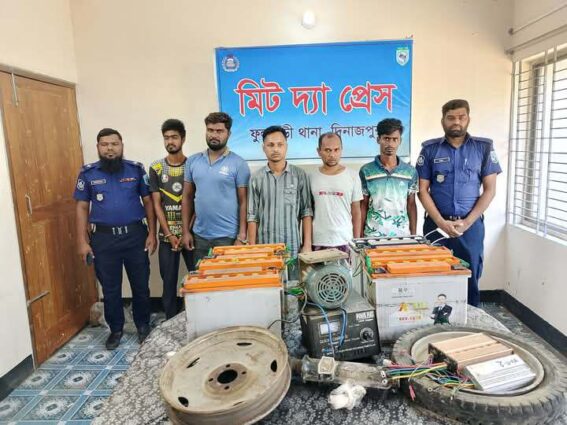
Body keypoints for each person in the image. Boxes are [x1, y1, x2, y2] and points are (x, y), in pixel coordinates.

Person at [74, 128, 156, 350]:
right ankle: (116, 329)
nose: (109, 148)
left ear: (122, 146)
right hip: (103, 240)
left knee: (141, 285)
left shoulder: (136, 170)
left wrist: (152, 233)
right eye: (104, 144)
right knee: (110, 289)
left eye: (114, 144)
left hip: (135, 237)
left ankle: (143, 325)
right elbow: (82, 207)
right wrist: (82, 241)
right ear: (98, 147)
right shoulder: (88, 174)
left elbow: (148, 202)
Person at [416, 99, 502, 307]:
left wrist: (467, 222)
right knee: (434, 275)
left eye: (461, 117)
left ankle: (470, 319)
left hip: (470, 227)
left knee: (470, 275)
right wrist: (440, 222)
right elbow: (422, 190)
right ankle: (436, 321)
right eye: (451, 118)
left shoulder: (483, 148)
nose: (456, 122)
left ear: (468, 119)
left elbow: (489, 190)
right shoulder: (430, 150)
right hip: (436, 225)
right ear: (442, 121)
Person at [181, 112, 250, 265]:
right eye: (210, 130)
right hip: (200, 237)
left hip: (228, 237)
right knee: (201, 278)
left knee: (227, 279)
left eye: (219, 131)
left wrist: (241, 236)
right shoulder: (193, 161)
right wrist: (185, 232)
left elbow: (244, 202)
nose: (214, 135)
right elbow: (186, 197)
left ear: (228, 134)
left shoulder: (238, 163)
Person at [247, 125, 313, 276]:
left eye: (280, 144)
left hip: (292, 249)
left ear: (286, 147)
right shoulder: (256, 178)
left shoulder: (299, 175)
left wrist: (307, 245)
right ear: (263, 148)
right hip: (265, 250)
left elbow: (306, 212)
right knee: (268, 287)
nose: (275, 149)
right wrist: (252, 248)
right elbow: (252, 216)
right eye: (270, 145)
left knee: (293, 287)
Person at [149, 119, 193, 320]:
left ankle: (194, 320)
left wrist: (186, 231)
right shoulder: (156, 168)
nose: (170, 141)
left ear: (183, 138)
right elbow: (156, 204)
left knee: (197, 278)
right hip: (167, 238)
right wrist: (168, 234)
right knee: (168, 282)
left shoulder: (193, 165)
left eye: (174, 137)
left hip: (190, 235)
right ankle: (170, 322)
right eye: (166, 138)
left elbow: (196, 201)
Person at [359, 118, 418, 237]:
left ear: (400, 141)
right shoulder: (366, 171)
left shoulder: (410, 172)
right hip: (373, 236)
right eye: (386, 138)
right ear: (378, 139)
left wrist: (413, 235)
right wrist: (359, 236)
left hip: (402, 236)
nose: (390, 144)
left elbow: (411, 204)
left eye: (394, 139)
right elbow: (363, 205)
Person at [310, 132, 362, 252]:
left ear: (341, 150)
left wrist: (357, 242)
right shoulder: (311, 177)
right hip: (318, 240)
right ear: (319, 151)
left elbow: (356, 212)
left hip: (345, 240)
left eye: (336, 150)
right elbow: (308, 213)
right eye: (327, 150)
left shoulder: (353, 176)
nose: (332, 155)